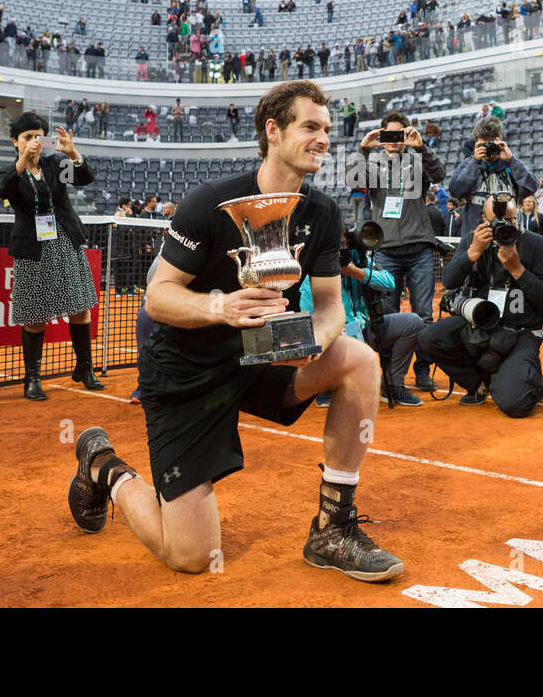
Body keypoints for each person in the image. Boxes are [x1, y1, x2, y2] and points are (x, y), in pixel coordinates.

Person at [71, 80, 404, 582]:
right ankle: (104, 467)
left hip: (259, 358)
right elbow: (157, 296)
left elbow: (332, 305)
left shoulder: (323, 212)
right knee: (192, 556)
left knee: (358, 359)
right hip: (186, 371)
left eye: (327, 130)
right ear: (273, 130)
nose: (323, 139)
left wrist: (314, 339)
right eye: (310, 127)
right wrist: (220, 306)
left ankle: (332, 529)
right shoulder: (209, 202)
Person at [418, 193, 543, 416]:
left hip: (521, 331)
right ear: (484, 220)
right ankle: (479, 383)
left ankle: (523, 374)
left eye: (511, 220)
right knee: (430, 337)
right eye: (497, 221)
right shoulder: (472, 240)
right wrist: (473, 252)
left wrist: (517, 269)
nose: (505, 225)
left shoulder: (535, 243)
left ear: (519, 217)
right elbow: (448, 281)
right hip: (479, 325)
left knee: (516, 404)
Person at [0, 113, 102, 400]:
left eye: (38, 136)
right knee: (35, 313)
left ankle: (85, 369)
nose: (33, 142)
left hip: (66, 241)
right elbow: (2, 190)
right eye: (27, 137)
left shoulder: (55, 164)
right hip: (33, 248)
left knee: (80, 307)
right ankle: (32, 378)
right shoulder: (11, 172)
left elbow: (84, 179)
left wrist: (73, 153)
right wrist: (22, 162)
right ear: (15, 141)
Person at [346, 113, 447, 391]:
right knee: (385, 314)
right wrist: (363, 149)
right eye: (389, 136)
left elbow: (439, 174)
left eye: (399, 135)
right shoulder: (374, 164)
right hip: (386, 250)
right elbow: (352, 181)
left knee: (424, 313)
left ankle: (423, 370)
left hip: (419, 249)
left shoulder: (417, 159)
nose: (394, 141)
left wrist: (420, 147)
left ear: (407, 135)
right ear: (382, 137)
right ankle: (390, 373)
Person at [305, 226, 426, 408]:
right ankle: (327, 386)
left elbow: (390, 283)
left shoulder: (357, 259)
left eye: (342, 244)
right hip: (332, 336)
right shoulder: (315, 267)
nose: (339, 251)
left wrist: (357, 272)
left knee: (413, 323)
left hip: (363, 330)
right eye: (333, 246)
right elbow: (307, 314)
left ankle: (393, 385)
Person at [446, 117, 539, 236]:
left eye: (490, 144)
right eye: (482, 145)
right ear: (476, 144)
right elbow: (456, 191)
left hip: (507, 237)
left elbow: (531, 188)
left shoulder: (511, 165)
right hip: (476, 239)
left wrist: (511, 160)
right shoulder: (469, 164)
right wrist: (475, 162)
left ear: (499, 141)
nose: (487, 150)